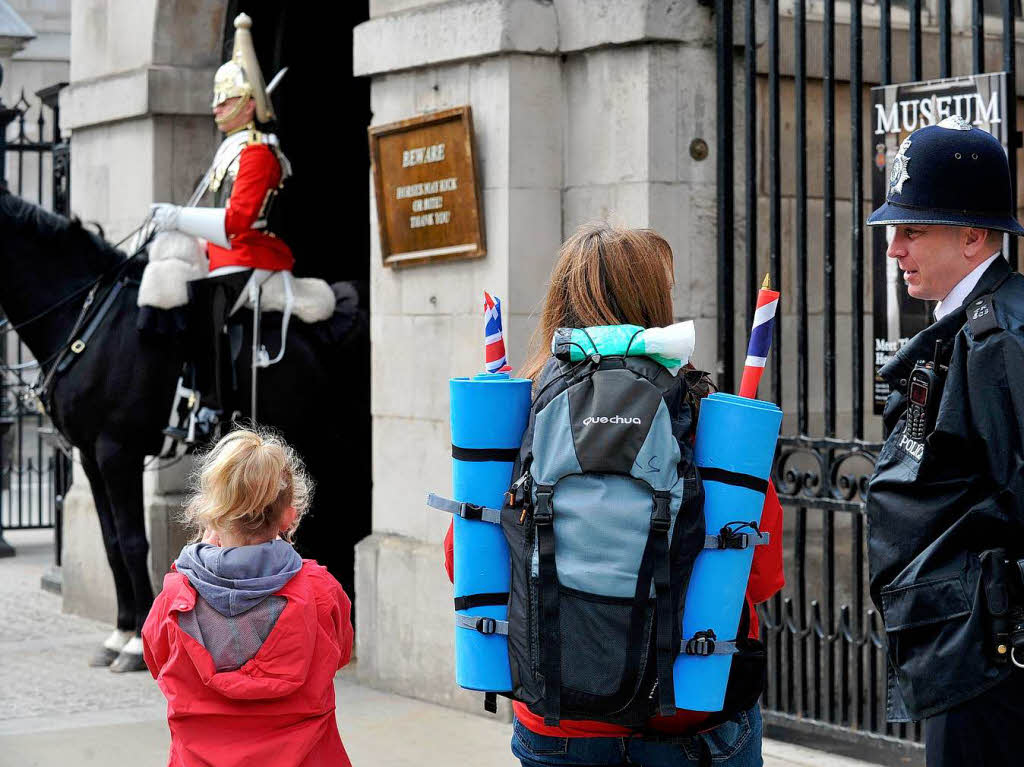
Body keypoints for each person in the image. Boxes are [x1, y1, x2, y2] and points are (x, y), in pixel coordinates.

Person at [443, 221, 785, 767]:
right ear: (658, 306)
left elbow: (467, 562)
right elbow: (760, 575)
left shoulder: (517, 417)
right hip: (691, 722)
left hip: (558, 724)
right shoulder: (711, 425)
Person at [864, 115, 1024, 767]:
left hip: (992, 660)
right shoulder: (967, 325)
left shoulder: (1000, 340)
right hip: (965, 647)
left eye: (913, 231)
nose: (895, 249)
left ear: (974, 236)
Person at [142, 428, 353, 767]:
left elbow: (156, 660)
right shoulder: (321, 591)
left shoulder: (174, 600)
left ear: (210, 512)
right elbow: (339, 654)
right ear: (289, 515)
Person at [150, 12, 294, 441]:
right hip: (223, 256)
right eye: (215, 99)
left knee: (204, 299)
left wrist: (177, 216)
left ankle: (212, 406)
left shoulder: (257, 154)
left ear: (250, 104)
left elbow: (236, 223)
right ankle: (185, 394)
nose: (215, 107)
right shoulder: (228, 152)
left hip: (252, 255)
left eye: (225, 99)